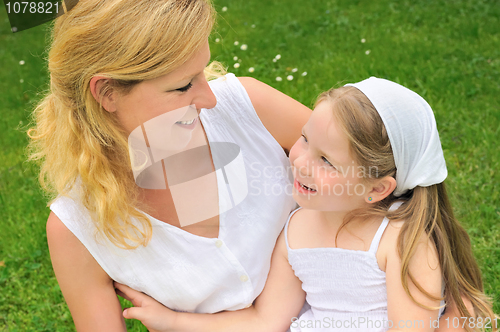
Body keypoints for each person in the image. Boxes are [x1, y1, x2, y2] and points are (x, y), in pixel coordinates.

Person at [115, 78, 496, 332]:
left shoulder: (399, 240)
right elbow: (265, 320)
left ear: (377, 189)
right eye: (303, 138)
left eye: (327, 161)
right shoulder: (296, 229)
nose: (298, 160)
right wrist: (172, 320)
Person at [28, 0, 310, 330]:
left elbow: (376, 180)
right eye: (182, 86)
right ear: (107, 93)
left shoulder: (249, 108)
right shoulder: (76, 227)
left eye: (202, 72)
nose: (209, 99)